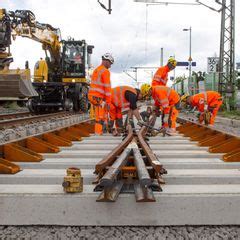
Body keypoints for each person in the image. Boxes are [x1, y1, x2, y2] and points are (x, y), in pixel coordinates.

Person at [88, 53, 114, 135]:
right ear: (106, 61)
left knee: (102, 113)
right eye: (110, 63)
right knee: (100, 116)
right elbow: (107, 87)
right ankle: (98, 133)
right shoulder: (105, 71)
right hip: (98, 96)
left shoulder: (96, 70)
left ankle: (104, 130)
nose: (110, 66)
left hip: (93, 96)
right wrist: (109, 102)